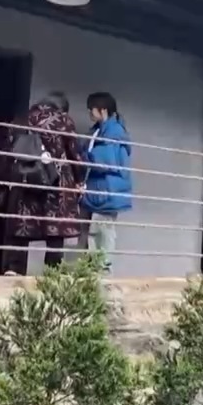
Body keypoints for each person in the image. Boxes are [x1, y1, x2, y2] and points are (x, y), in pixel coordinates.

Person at [0, 92, 84, 275]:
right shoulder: (63, 121)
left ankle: (14, 268)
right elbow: (75, 154)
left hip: (27, 179)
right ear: (62, 108)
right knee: (55, 229)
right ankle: (52, 273)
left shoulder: (23, 119)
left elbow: (9, 149)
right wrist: (79, 180)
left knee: (22, 224)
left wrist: (8, 176)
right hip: (56, 182)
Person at [79, 93, 132, 272]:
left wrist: (82, 156)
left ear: (103, 110)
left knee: (102, 234)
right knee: (95, 233)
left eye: (91, 109)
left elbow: (103, 160)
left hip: (106, 190)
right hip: (100, 188)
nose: (89, 113)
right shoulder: (101, 130)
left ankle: (101, 275)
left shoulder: (113, 132)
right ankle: (95, 273)